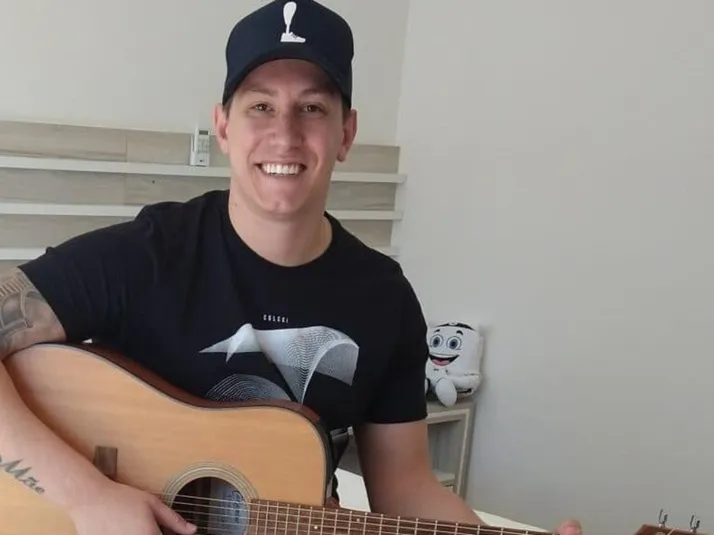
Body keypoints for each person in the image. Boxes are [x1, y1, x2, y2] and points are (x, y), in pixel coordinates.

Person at [0, 1, 582, 534]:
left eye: (312, 108)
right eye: (261, 106)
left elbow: (406, 486)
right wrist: (87, 496)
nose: (285, 134)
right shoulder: (147, 254)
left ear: (346, 133)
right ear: (223, 127)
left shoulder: (383, 297)